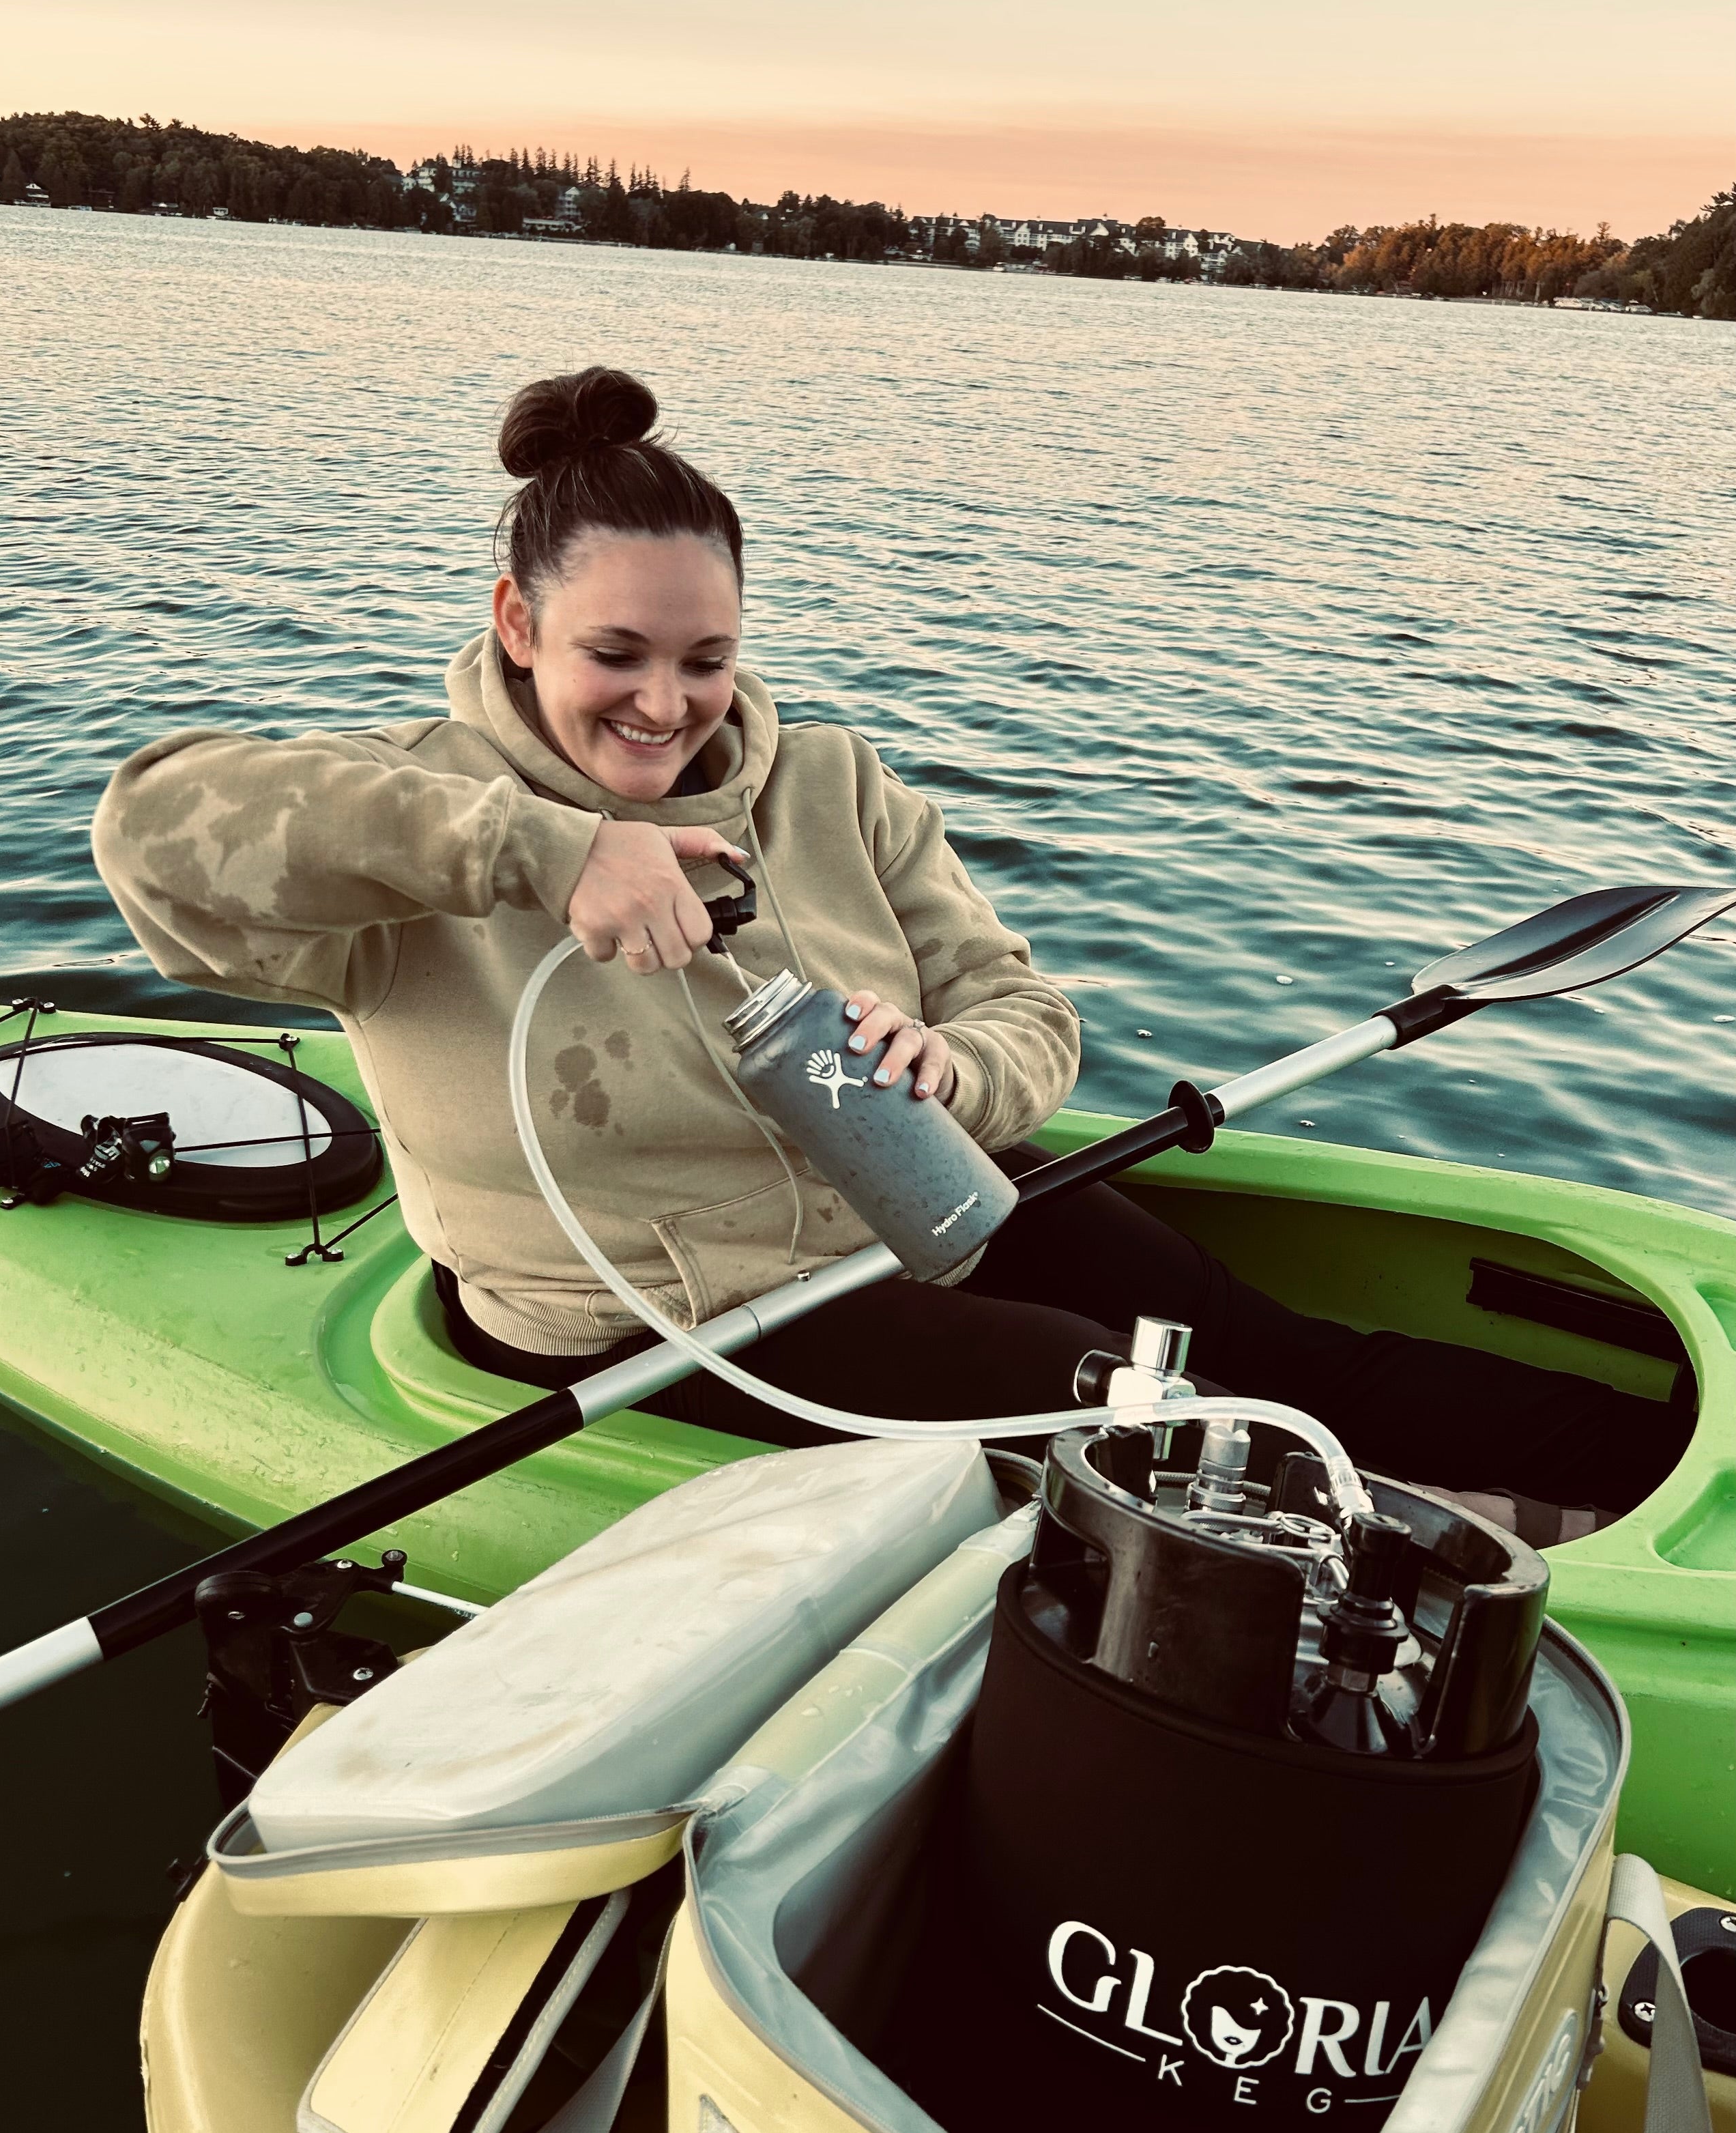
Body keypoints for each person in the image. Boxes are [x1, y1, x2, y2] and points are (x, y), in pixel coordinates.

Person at [93, 367, 1687, 1538]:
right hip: (661, 1325)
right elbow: (153, 826)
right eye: (614, 655)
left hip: (925, 1199)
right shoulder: (412, 815)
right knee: (1117, 1397)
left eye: (706, 658)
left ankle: (1676, 1465)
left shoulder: (834, 782)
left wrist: (959, 1064)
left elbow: (1020, 1007)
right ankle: (1518, 1570)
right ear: (517, 624)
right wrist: (542, 848)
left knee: (1258, 1339)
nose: (664, 703)